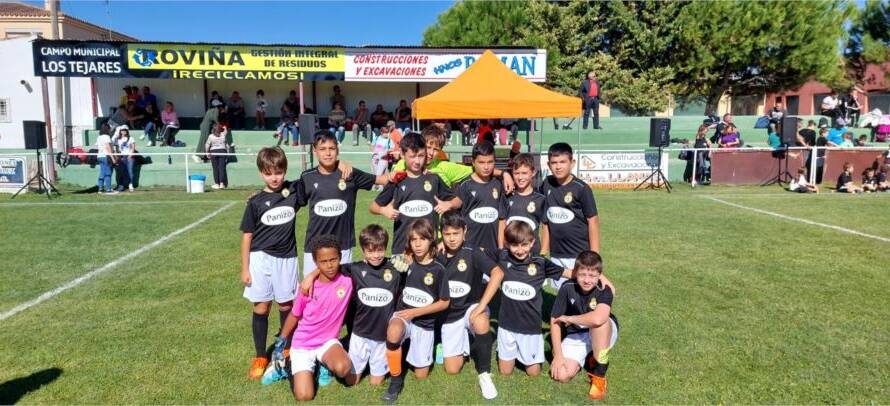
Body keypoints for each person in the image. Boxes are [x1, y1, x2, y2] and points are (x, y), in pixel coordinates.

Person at [297, 225, 403, 387]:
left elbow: (415, 260)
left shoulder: (395, 268)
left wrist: (407, 259)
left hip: (382, 336)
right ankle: (330, 359)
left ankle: (367, 362)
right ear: (362, 250)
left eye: (380, 250)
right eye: (370, 251)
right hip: (360, 334)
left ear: (385, 248)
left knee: (376, 383)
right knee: (350, 381)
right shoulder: (355, 269)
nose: (375, 255)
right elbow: (329, 265)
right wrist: (311, 275)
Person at [473, 222, 576, 377]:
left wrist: (597, 275)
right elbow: (477, 251)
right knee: (505, 372)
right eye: (515, 245)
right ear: (507, 244)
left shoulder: (541, 263)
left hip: (530, 328)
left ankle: (528, 355)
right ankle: (513, 352)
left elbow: (569, 273)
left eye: (524, 245)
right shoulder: (502, 255)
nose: (520, 250)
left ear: (533, 242)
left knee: (533, 373)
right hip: (507, 327)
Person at [240, 147, 302, 381]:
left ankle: (285, 347)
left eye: (279, 172)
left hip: (286, 259)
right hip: (260, 259)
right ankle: (259, 356)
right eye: (268, 173)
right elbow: (247, 236)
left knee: (286, 305)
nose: (274, 177)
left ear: (285, 170)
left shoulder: (293, 192)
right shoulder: (255, 202)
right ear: (261, 174)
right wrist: (245, 268)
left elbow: (312, 178)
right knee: (262, 307)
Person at [268, 235, 354, 401]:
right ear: (316, 262)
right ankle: (286, 365)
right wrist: (282, 340)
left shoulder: (348, 281)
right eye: (323, 261)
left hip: (327, 342)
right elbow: (294, 315)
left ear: (340, 258)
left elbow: (372, 262)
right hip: (303, 344)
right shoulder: (307, 287)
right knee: (304, 396)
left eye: (333, 259)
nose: (329, 265)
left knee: (344, 369)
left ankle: (323, 364)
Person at [294, 131, 390, 274]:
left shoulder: (350, 174)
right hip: (314, 246)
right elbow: (292, 200)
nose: (327, 153)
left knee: (341, 292)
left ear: (337, 150)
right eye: (322, 149)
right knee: (312, 290)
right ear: (315, 151)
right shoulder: (307, 177)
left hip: (343, 246)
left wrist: (408, 171)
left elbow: (382, 179)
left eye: (331, 149)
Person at [381, 218, 450, 403]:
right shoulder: (406, 262)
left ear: (431, 240)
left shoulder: (439, 269)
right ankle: (396, 380)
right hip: (403, 315)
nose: (418, 244)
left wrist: (415, 313)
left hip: (423, 321)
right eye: (413, 240)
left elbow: (444, 303)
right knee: (394, 331)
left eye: (422, 239)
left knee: (421, 375)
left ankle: (430, 345)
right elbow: (380, 264)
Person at [438, 210, 499, 399]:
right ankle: (461, 342)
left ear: (465, 231)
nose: (452, 239)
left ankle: (485, 374)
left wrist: (481, 307)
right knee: (452, 369)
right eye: (447, 234)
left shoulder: (472, 252)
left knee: (480, 320)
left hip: (471, 307)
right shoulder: (436, 252)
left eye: (456, 233)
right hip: (449, 316)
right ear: (441, 233)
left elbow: (498, 273)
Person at [370, 132, 461, 254]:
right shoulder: (397, 180)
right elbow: (372, 207)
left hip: (430, 250)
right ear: (402, 154)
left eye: (421, 155)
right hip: (402, 249)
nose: (417, 161)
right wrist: (383, 210)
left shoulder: (433, 179)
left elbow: (458, 201)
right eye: (412, 156)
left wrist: (449, 204)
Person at [549, 251, 619, 401]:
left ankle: (600, 375)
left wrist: (570, 318)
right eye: (582, 275)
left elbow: (598, 318)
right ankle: (590, 358)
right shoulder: (567, 287)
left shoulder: (604, 290)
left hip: (603, 331)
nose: (587, 280)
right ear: (575, 273)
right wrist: (558, 355)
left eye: (592, 276)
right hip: (576, 334)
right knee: (561, 374)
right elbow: (554, 322)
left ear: (599, 275)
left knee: (599, 323)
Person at [540, 142, 600, 290]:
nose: (558, 166)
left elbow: (593, 221)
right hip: (557, 252)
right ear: (548, 164)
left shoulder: (581, 189)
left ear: (572, 163)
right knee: (561, 292)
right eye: (554, 162)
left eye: (562, 162)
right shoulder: (546, 184)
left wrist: (594, 255)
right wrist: (543, 251)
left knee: (581, 291)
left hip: (578, 253)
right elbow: (545, 220)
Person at [391, 125, 515, 190]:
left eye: (436, 150)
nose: (430, 153)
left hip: (438, 233)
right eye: (428, 147)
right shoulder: (403, 164)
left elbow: (478, 169)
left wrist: (504, 174)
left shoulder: (445, 167)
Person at [456, 141, 506, 260]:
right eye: (481, 162)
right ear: (473, 162)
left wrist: (500, 247)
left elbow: (501, 219)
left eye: (490, 162)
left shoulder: (498, 184)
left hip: (493, 251)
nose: (486, 166)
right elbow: (457, 221)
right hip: (469, 249)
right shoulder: (464, 185)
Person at [503, 153, 547, 256]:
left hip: (532, 252)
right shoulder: (506, 196)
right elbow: (502, 223)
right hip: (510, 251)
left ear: (533, 172)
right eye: (516, 173)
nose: (520, 177)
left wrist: (544, 251)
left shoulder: (540, 199)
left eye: (524, 173)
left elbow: (545, 227)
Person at [205, 123, 231, 190]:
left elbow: (207, 145)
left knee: (215, 168)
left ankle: (217, 184)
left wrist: (207, 153)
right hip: (222, 151)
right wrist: (224, 127)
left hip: (214, 152)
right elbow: (225, 131)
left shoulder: (210, 136)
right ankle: (222, 183)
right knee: (221, 168)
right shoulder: (223, 135)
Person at [112, 126, 136, 192]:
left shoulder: (131, 138)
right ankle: (121, 186)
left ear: (127, 131)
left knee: (130, 171)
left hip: (129, 156)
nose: (123, 131)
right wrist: (117, 156)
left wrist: (131, 155)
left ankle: (130, 184)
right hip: (121, 156)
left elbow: (133, 147)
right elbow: (114, 145)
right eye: (122, 130)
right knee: (121, 172)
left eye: (125, 130)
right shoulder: (118, 139)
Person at [370, 126, 394, 190]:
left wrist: (386, 150)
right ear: (381, 132)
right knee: (374, 173)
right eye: (385, 133)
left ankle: (379, 188)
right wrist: (374, 151)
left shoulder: (389, 140)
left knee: (379, 173)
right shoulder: (376, 138)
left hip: (384, 159)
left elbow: (392, 148)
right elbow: (372, 146)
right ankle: (377, 187)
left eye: (387, 132)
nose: (386, 134)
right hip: (375, 158)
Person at [95, 124, 116, 195]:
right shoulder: (107, 137)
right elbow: (108, 147)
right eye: (109, 129)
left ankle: (100, 189)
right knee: (108, 173)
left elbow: (98, 148)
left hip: (100, 156)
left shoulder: (99, 137)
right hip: (106, 156)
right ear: (108, 129)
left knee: (102, 172)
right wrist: (113, 158)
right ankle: (108, 189)